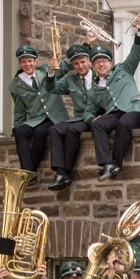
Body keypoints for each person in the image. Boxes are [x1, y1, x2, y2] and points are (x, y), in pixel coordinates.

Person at [82, 28, 140, 182]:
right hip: (114, 113)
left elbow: (137, 52)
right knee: (98, 124)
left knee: (123, 123)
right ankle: (107, 163)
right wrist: (90, 119)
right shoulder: (93, 89)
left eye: (104, 61)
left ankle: (116, 163)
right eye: (98, 62)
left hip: (136, 111)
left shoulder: (123, 69)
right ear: (93, 66)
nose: (101, 64)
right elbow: (87, 111)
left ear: (110, 62)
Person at [8, 45, 69, 186]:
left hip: (55, 117)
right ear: (19, 63)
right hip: (36, 119)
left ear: (35, 61)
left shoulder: (46, 70)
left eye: (30, 61)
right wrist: (17, 125)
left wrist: (87, 44)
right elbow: (19, 109)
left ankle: (30, 174)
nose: (27, 64)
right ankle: (28, 171)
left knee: (40, 133)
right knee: (20, 132)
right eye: (24, 61)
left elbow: (66, 65)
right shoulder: (14, 84)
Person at [43, 41, 93, 190]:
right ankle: (60, 172)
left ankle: (65, 172)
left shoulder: (99, 75)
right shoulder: (71, 79)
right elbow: (52, 88)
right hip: (79, 117)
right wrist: (52, 71)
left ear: (89, 61)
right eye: (76, 64)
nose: (80, 66)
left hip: (96, 118)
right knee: (55, 129)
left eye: (82, 62)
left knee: (72, 131)